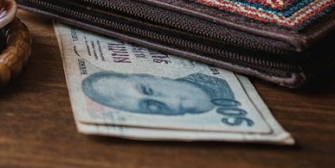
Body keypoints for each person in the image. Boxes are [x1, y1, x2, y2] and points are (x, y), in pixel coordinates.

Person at [81, 71, 235, 116]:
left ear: (147, 76)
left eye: (147, 90)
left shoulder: (224, 83)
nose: (173, 103)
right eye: (150, 105)